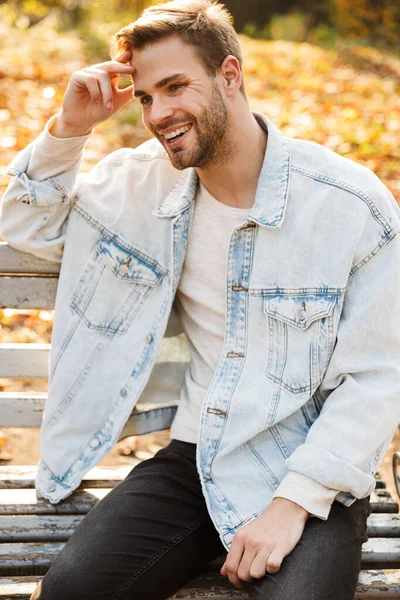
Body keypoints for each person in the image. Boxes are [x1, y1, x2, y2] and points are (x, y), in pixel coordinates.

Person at [1, 0, 400, 598]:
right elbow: (24, 229)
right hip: (196, 459)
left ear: (230, 76)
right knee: (72, 591)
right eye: (145, 98)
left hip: (310, 470)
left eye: (175, 87)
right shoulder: (140, 184)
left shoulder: (348, 205)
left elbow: (377, 376)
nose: (159, 113)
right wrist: (71, 128)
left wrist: (292, 505)